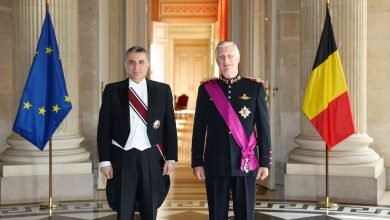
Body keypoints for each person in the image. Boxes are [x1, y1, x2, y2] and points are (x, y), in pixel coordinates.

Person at [191, 40, 271, 220]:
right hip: (215, 162)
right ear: (217, 61)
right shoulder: (206, 89)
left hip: (245, 162)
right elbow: (199, 129)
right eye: (221, 57)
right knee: (216, 214)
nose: (226, 60)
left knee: (245, 214)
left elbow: (263, 128)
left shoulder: (254, 87)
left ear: (238, 58)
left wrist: (265, 161)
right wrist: (197, 161)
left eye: (230, 55)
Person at [97, 46, 178, 220]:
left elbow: (170, 126)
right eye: (132, 62)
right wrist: (104, 160)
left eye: (141, 62)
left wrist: (171, 158)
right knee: (124, 208)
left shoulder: (163, 90)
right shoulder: (112, 91)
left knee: (150, 208)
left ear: (147, 65)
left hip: (151, 156)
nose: (136, 67)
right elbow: (104, 128)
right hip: (122, 156)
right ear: (126, 65)